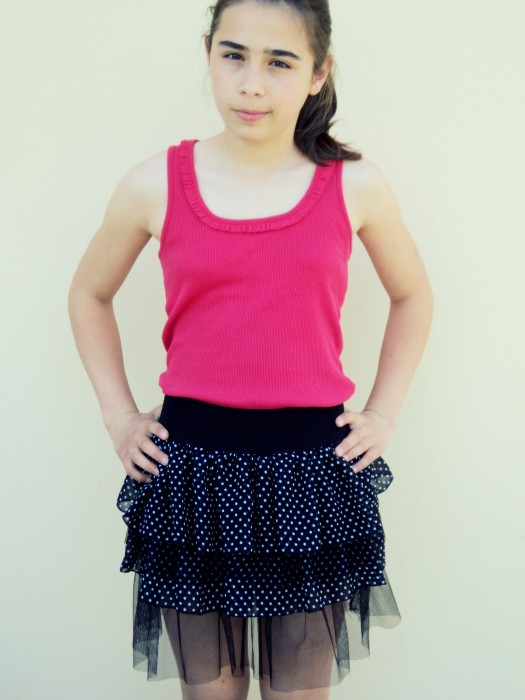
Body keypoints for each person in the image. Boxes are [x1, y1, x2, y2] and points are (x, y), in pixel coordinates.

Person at [68, 0, 433, 698]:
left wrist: (384, 413)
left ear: (319, 73)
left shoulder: (354, 183)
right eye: (233, 55)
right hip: (193, 478)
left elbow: (413, 294)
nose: (252, 83)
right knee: (210, 693)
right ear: (209, 53)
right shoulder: (154, 183)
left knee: (298, 693)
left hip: (310, 477)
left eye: (279, 62)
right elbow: (88, 293)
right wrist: (120, 417)